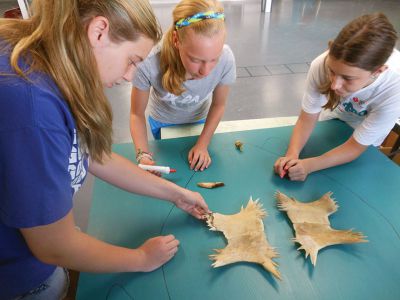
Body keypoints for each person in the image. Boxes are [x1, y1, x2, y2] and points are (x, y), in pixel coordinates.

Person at [0, 1, 210, 299]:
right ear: (99, 31)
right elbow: (53, 246)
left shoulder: (49, 60)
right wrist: (140, 258)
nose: (129, 76)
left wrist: (176, 194)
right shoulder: (33, 112)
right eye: (132, 60)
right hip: (19, 278)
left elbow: (92, 153)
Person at [274, 13, 400, 181]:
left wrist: (309, 165)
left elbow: (356, 147)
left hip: (364, 136)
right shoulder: (321, 64)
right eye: (332, 72)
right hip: (335, 117)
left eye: (347, 78)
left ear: (378, 71)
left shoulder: (394, 88)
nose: (334, 85)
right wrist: (292, 155)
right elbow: (307, 118)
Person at [130, 0, 236, 174]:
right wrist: (143, 154)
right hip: (163, 124)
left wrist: (203, 144)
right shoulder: (149, 63)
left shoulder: (227, 59)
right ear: (176, 40)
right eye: (195, 60)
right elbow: (136, 114)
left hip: (201, 121)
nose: (205, 71)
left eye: (213, 59)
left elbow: (219, 105)